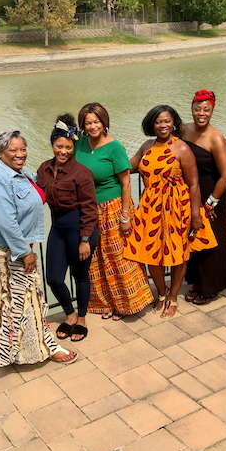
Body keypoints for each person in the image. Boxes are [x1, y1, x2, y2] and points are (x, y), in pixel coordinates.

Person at [0, 130, 78, 365]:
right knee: (14, 304)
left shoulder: (17, 173)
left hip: (18, 247)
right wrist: (25, 252)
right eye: (13, 150)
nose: (20, 154)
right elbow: (6, 221)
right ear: (0, 152)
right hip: (6, 251)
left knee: (25, 301)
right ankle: (31, 351)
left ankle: (35, 349)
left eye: (23, 149)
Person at [125, 105, 217, 318]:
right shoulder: (147, 146)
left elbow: (194, 184)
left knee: (178, 254)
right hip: (150, 207)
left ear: (173, 122)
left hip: (178, 207)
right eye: (158, 122)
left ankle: (173, 296)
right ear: (152, 124)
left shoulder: (182, 148)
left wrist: (195, 215)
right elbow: (128, 167)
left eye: (167, 121)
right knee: (150, 253)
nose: (163, 125)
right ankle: (161, 293)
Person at [74, 103, 154, 320]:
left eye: (96, 121)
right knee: (96, 259)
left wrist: (125, 216)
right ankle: (104, 304)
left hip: (113, 207)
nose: (92, 126)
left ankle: (126, 304)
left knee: (119, 257)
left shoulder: (114, 147)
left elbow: (126, 183)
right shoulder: (79, 143)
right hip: (89, 210)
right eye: (88, 122)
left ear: (104, 122)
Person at [37, 114, 98, 342]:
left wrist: (84, 239)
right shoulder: (43, 169)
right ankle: (69, 313)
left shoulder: (81, 173)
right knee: (53, 278)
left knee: (80, 276)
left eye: (68, 147)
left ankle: (81, 319)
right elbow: (35, 195)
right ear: (52, 145)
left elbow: (90, 208)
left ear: (74, 147)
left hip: (79, 229)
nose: (63, 151)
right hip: (58, 229)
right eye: (59, 146)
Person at [181, 90, 226, 305]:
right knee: (192, 237)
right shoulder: (183, 129)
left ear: (212, 111)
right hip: (190, 191)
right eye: (197, 109)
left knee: (212, 241)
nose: (201, 113)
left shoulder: (216, 137)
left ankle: (211, 286)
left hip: (213, 192)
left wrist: (211, 202)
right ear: (191, 109)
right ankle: (197, 281)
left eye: (206, 110)